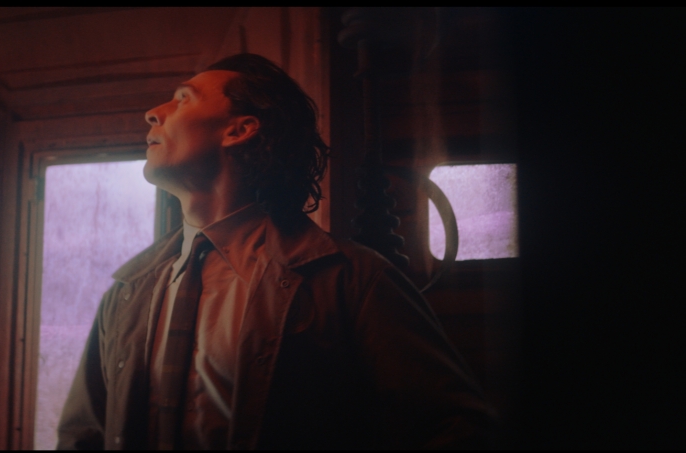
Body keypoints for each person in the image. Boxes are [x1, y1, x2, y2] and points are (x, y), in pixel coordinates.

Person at [56, 53, 493, 450]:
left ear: (240, 129)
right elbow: (83, 437)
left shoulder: (352, 279)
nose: (153, 112)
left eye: (183, 99)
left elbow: (457, 429)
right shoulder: (129, 289)